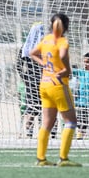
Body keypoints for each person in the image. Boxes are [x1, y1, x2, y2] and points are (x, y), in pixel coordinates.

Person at [30, 13, 81, 167]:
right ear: (66, 26)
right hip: (58, 84)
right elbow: (63, 54)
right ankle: (63, 158)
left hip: (44, 84)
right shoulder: (63, 41)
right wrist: (67, 69)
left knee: (46, 123)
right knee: (71, 121)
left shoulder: (46, 39)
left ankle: (41, 159)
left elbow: (32, 53)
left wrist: (45, 64)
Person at [16, 23, 57, 139]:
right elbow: (19, 65)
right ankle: (31, 135)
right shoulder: (27, 47)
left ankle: (50, 134)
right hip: (36, 81)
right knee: (33, 108)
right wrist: (25, 78)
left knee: (47, 108)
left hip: (44, 80)